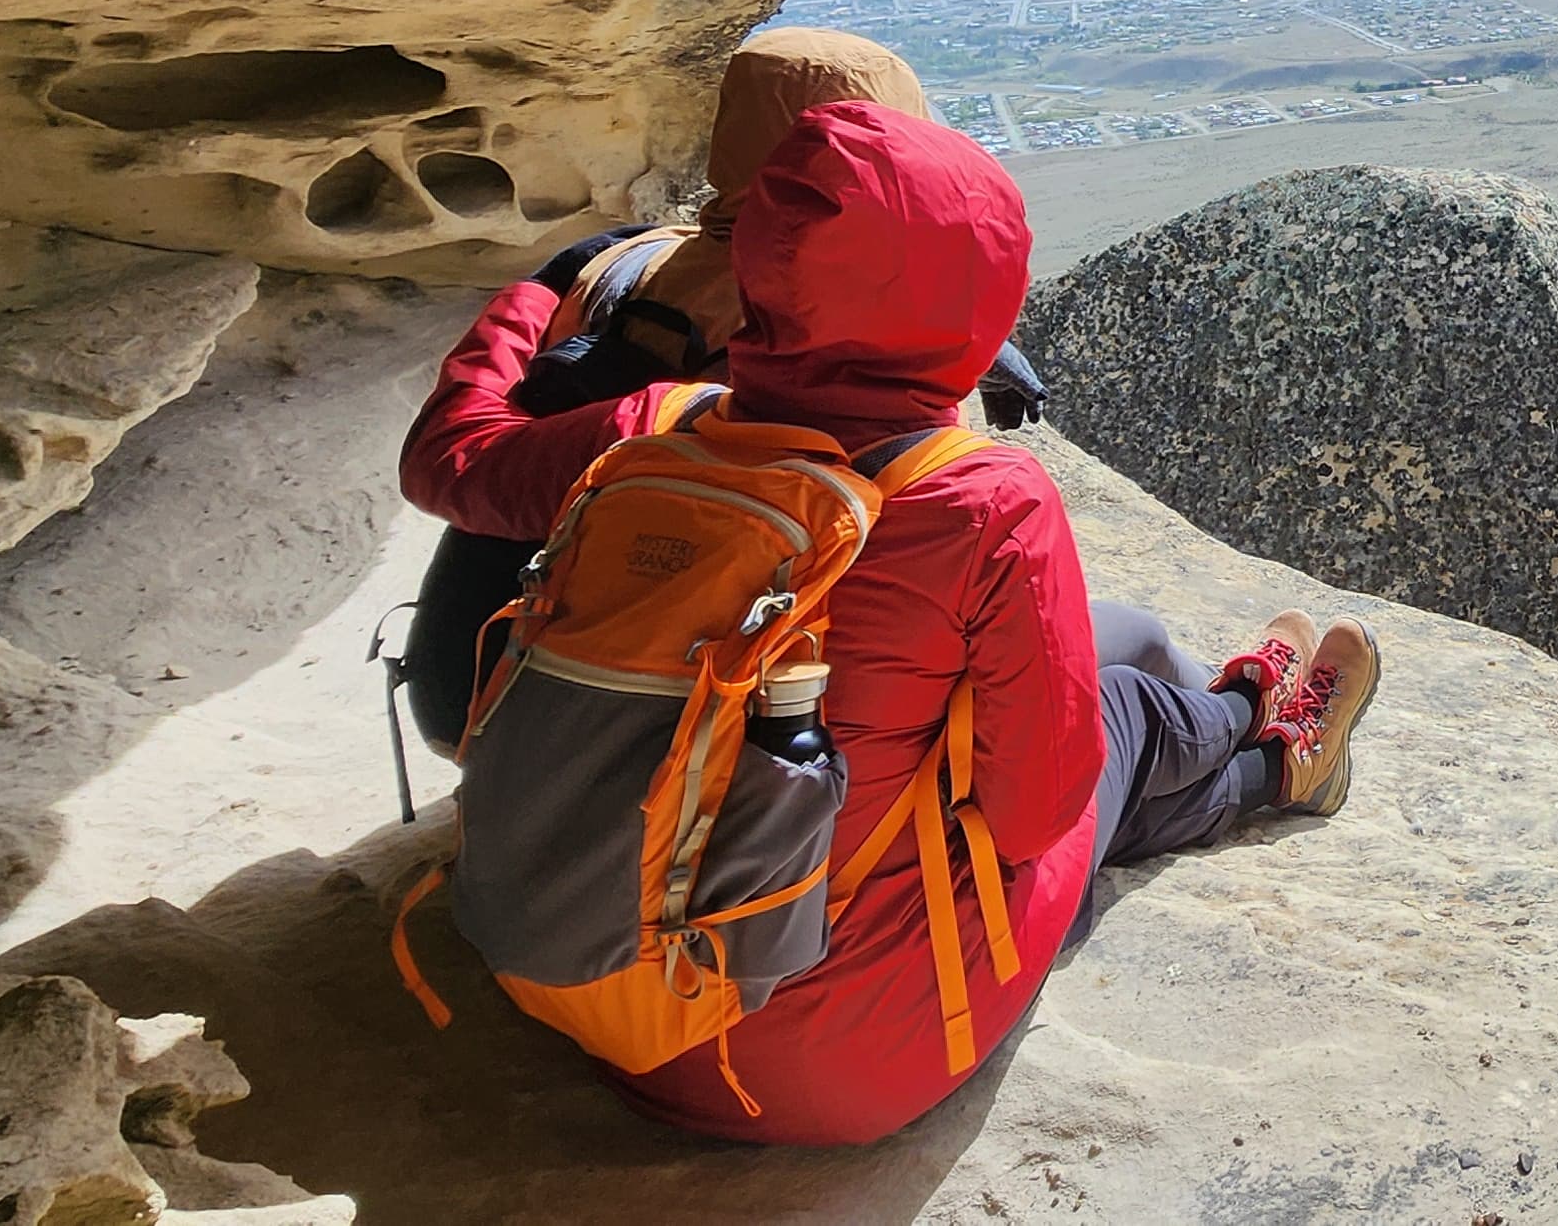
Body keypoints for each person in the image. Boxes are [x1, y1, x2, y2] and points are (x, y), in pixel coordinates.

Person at [398, 95, 1378, 1143]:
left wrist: (542, 289)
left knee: (1107, 644)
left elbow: (452, 458)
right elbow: (1035, 817)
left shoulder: (651, 427)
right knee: (1118, 716)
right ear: (987, 289)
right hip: (816, 1065)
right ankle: (1262, 740)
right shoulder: (981, 501)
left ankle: (1256, 728)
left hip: (581, 987)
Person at [392, 27, 1056, 753]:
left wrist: (529, 302)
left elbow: (447, 459)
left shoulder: (615, 263)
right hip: (758, 732)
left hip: (490, 686)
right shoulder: (892, 344)